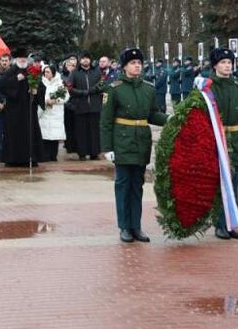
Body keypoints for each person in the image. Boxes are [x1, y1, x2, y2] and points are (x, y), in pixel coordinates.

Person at [100, 48, 168, 243]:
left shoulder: (148, 88)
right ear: (124, 67)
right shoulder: (114, 88)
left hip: (141, 142)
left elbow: (153, 114)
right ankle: (124, 227)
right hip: (122, 142)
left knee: (137, 185)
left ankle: (136, 226)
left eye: (139, 62)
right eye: (133, 63)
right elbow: (105, 121)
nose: (137, 65)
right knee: (123, 185)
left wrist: (171, 119)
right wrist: (108, 148)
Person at [207, 48, 238, 240]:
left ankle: (232, 224)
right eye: (223, 62)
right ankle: (219, 224)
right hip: (215, 141)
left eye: (229, 62)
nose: (227, 66)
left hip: (234, 142)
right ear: (215, 65)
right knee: (219, 185)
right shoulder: (207, 88)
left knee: (233, 185)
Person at [0, 52, 44, 166]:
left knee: (30, 132)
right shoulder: (11, 71)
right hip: (14, 109)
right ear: (17, 59)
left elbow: (42, 86)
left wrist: (36, 91)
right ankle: (12, 159)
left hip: (29, 108)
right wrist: (15, 79)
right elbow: (2, 86)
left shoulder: (32, 70)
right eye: (20, 57)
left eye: (24, 58)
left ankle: (32, 158)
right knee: (13, 133)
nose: (22, 59)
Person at [67, 52, 101, 160]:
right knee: (81, 132)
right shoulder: (74, 73)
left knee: (94, 131)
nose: (85, 60)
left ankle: (94, 152)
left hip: (94, 106)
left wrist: (93, 90)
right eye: (83, 58)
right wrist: (82, 92)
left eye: (87, 58)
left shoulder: (96, 72)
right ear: (80, 60)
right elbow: (70, 87)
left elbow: (102, 84)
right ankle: (82, 153)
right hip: (80, 106)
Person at [38, 65, 68, 162]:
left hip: (56, 112)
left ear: (53, 73)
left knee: (55, 135)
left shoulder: (59, 83)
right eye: (45, 72)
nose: (46, 74)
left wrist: (56, 100)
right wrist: (45, 100)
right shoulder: (41, 82)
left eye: (48, 72)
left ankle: (53, 155)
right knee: (45, 134)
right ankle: (45, 155)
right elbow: (38, 95)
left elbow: (66, 96)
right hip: (44, 112)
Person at [61, 56, 77, 154]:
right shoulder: (62, 76)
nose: (71, 67)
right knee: (68, 126)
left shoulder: (78, 75)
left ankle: (76, 145)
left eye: (73, 65)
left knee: (76, 127)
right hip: (66, 104)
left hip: (76, 103)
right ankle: (69, 145)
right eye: (69, 65)